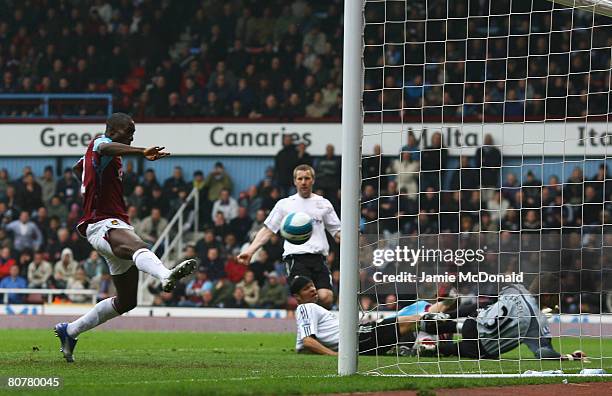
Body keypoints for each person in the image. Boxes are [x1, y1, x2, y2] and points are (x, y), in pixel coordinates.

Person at [54, 113, 196, 363]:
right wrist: (141, 151)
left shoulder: (102, 158)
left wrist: (89, 185)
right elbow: (104, 146)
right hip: (100, 223)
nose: (132, 136)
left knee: (127, 301)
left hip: (111, 222)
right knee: (138, 246)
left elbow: (79, 168)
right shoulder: (100, 143)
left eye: (134, 133)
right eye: (129, 131)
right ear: (113, 129)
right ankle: (165, 275)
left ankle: (70, 331)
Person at [238, 165, 340, 308]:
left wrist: (354, 242)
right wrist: (250, 251)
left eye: (307, 178)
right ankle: (308, 329)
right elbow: (268, 230)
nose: (303, 182)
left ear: (313, 180)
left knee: (326, 298)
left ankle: (315, 326)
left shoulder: (323, 204)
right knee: (306, 297)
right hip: (296, 259)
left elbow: (337, 231)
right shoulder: (284, 204)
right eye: (300, 178)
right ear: (295, 181)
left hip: (319, 259)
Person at [415, 283, 587, 361]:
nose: (558, 301)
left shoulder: (515, 289)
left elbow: (484, 304)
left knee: (477, 313)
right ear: (548, 295)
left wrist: (452, 314)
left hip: (472, 322)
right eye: (556, 296)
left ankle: (429, 322)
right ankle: (429, 346)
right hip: (481, 346)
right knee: (458, 349)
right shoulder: (538, 321)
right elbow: (544, 354)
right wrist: (569, 357)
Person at [291, 276, 421, 356]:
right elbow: (307, 342)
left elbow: (302, 346)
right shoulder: (305, 307)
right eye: (306, 288)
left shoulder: (311, 309)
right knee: (412, 320)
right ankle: (437, 333)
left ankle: (426, 342)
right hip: (358, 337)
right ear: (297, 296)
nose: (313, 289)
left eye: (312, 285)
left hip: (359, 335)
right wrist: (334, 355)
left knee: (409, 322)